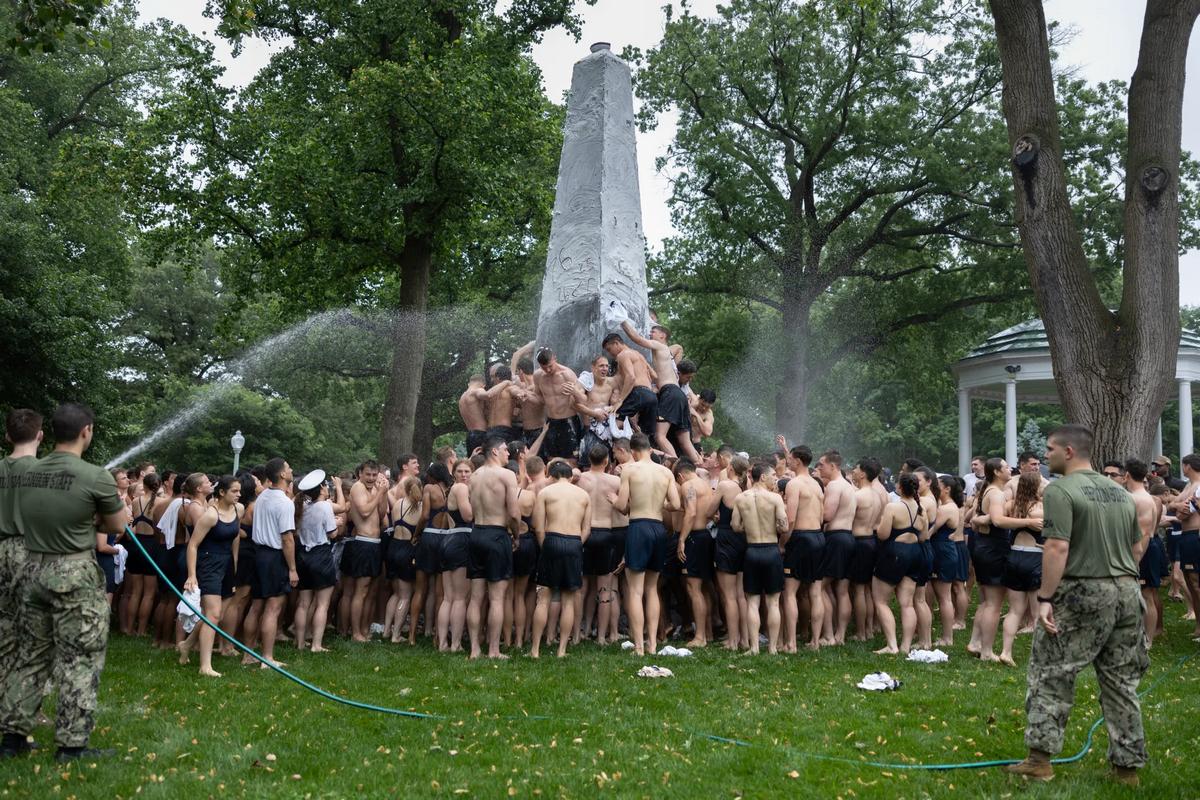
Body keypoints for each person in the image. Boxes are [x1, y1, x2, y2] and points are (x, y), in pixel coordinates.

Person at [1007, 425, 1147, 786]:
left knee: (1051, 672)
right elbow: (1137, 546)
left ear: (1069, 452)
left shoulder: (1061, 491)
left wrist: (1045, 598)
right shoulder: (1119, 493)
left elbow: (1056, 547)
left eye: (1050, 449)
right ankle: (1127, 769)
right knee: (1120, 680)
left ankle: (1039, 760)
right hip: (1127, 590)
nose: (1044, 456)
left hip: (1083, 589)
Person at [0, 403, 128, 761]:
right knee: (79, 658)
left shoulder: (27, 472)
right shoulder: (94, 476)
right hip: (73, 574)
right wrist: (93, 521)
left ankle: (12, 739)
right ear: (86, 430)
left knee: (30, 656)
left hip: (33, 571)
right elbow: (117, 526)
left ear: (51, 432)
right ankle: (72, 746)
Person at [608, 432, 681, 656]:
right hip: (658, 528)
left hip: (638, 526)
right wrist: (658, 503)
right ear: (650, 448)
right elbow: (676, 504)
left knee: (635, 591)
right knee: (652, 589)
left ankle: (639, 646)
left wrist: (615, 502)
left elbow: (622, 506)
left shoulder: (629, 470)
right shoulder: (666, 472)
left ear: (633, 451)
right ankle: (653, 643)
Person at [180, 475, 241, 676]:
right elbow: (193, 545)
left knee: (216, 615)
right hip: (208, 564)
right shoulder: (210, 515)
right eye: (234, 491)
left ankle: (187, 644)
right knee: (213, 615)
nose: (238, 495)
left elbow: (235, 542)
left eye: (239, 491)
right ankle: (205, 666)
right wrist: (192, 575)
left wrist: (234, 567)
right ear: (222, 492)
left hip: (226, 565)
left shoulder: (237, 510)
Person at [530, 460, 591, 658]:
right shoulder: (583, 495)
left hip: (552, 539)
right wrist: (575, 545)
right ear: (570, 476)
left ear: (552, 475)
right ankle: (562, 650)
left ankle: (535, 650)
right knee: (568, 601)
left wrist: (545, 545)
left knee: (544, 598)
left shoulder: (546, 493)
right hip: (574, 541)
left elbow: (538, 526)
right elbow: (586, 530)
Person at [620, 319, 702, 463]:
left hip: (670, 393)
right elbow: (677, 350)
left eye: (653, 331)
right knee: (684, 440)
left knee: (659, 436)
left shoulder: (660, 346)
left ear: (662, 336)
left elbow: (637, 339)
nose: (650, 333)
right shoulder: (667, 354)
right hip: (678, 394)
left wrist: (622, 321)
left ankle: (677, 467)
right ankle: (698, 464)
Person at [466, 436, 519, 660]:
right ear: (495, 452)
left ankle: (474, 649)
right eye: (506, 450)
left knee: (476, 597)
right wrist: (516, 535)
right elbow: (515, 514)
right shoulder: (506, 475)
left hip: (476, 533)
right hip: (497, 534)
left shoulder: (474, 477)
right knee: (497, 598)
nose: (509, 454)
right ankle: (494, 650)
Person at [243, 457, 298, 669]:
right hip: (274, 557)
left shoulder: (263, 495)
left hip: (258, 554)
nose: (291, 469)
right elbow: (287, 538)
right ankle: (267, 657)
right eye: (288, 467)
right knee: (273, 608)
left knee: (256, 606)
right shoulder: (284, 503)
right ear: (282, 475)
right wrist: (292, 569)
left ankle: (248, 655)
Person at [0, 409, 42, 680]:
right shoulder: (46, 472)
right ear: (40, 435)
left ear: (7, 436)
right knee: (34, 628)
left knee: (4, 623)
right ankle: (27, 700)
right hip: (31, 552)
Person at [732, 461, 787, 654]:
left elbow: (735, 526)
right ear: (762, 476)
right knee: (773, 602)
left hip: (752, 550)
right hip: (771, 550)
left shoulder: (740, 498)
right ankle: (772, 648)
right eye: (772, 475)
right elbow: (784, 527)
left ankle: (754, 647)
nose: (775, 479)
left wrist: (750, 526)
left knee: (752, 602)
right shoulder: (775, 499)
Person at [870, 473, 926, 654]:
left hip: (894, 553)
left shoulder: (893, 507)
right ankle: (905, 646)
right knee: (907, 603)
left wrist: (878, 527)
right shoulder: (921, 509)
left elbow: (883, 535)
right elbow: (924, 537)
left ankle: (892, 645)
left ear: (900, 488)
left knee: (881, 601)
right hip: (915, 553)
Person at [967, 457, 1015, 661]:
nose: (1009, 469)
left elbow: (979, 519)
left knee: (986, 601)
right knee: (994, 604)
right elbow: (997, 520)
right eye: (1005, 467)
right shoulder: (995, 493)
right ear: (996, 472)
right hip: (994, 548)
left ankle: (975, 642)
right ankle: (986, 651)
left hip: (985, 546)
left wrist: (982, 518)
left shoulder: (989, 491)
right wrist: (1030, 521)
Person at [997, 472, 1045, 666]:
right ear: (1036, 486)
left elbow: (997, 519)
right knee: (1037, 612)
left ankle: (1006, 651)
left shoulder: (1012, 506)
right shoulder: (1041, 507)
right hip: (1035, 557)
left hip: (1014, 555)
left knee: (1015, 611)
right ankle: (1040, 657)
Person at [577, 445, 622, 646]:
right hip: (606, 533)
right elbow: (625, 507)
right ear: (607, 461)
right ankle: (602, 637)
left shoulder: (581, 480)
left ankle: (580, 633)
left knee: (582, 588)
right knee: (605, 588)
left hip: (585, 533)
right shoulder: (615, 481)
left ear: (589, 459)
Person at [782, 445, 825, 651]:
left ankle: (791, 642)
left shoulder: (794, 484)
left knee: (790, 591)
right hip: (818, 536)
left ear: (797, 461)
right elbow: (822, 516)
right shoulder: (817, 485)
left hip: (801, 537)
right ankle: (815, 641)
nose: (787, 461)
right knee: (815, 591)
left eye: (789, 458)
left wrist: (783, 543)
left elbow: (790, 520)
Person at [294, 472, 342, 653]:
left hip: (303, 556)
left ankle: (299, 642)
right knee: (322, 603)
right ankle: (316, 644)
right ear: (322, 488)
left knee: (303, 603)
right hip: (320, 554)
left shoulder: (303, 506)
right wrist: (337, 523)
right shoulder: (324, 507)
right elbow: (333, 534)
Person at [816, 450, 856, 645]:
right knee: (841, 589)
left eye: (822, 464)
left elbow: (827, 515)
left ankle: (830, 635)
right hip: (848, 537)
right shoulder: (848, 486)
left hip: (836, 537)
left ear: (833, 466)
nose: (819, 467)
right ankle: (840, 635)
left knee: (819, 586)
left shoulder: (834, 485)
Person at [345, 460, 387, 642]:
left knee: (370, 590)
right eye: (368, 474)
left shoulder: (374, 490)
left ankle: (364, 628)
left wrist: (382, 493)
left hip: (375, 543)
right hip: (363, 542)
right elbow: (363, 511)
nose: (371, 478)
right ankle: (355, 633)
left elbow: (382, 512)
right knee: (360, 590)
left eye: (374, 475)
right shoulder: (357, 487)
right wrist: (380, 493)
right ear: (360, 474)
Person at [673, 459, 713, 647]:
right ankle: (709, 634)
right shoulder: (705, 485)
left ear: (680, 475)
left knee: (693, 588)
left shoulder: (688, 485)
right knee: (703, 587)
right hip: (705, 534)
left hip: (694, 537)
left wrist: (681, 539)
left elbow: (690, 513)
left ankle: (700, 637)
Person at [710, 457, 749, 651]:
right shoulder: (746, 487)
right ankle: (745, 638)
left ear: (731, 468)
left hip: (726, 537)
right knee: (741, 594)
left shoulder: (725, 485)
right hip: (743, 538)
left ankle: (732, 640)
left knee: (729, 595)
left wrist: (716, 516)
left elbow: (710, 509)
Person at [1124, 459, 1163, 648]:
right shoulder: (1135, 497)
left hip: (1144, 551)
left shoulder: (1140, 499)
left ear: (1127, 475)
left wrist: (1135, 560)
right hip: (1139, 550)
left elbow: (1145, 534)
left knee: (1147, 594)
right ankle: (1138, 635)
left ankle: (1148, 639)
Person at [121, 472, 161, 637]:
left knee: (136, 592)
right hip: (152, 546)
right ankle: (141, 630)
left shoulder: (136, 501)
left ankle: (129, 628)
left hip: (137, 546)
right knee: (149, 594)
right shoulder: (160, 502)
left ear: (143, 486)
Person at [531, 348, 587, 463]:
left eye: (550, 366)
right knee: (550, 458)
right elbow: (539, 398)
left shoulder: (567, 374)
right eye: (544, 367)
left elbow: (583, 400)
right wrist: (527, 396)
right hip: (551, 421)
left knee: (573, 459)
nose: (548, 370)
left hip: (568, 421)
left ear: (554, 358)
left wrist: (575, 392)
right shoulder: (538, 376)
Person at [848, 459, 882, 641]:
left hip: (860, 541)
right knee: (868, 589)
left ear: (862, 474)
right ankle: (869, 629)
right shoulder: (877, 495)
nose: (853, 471)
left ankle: (861, 633)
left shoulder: (859, 496)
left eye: (855, 468)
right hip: (871, 540)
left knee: (859, 589)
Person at [929, 475, 965, 647]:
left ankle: (947, 637)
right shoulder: (950, 506)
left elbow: (930, 531)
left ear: (947, 489)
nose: (934, 489)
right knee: (943, 596)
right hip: (945, 550)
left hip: (942, 551)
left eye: (938, 486)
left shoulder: (946, 509)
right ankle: (945, 635)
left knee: (944, 597)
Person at [384, 475, 420, 644]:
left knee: (396, 593)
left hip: (393, 547)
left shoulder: (397, 503)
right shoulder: (418, 506)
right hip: (407, 549)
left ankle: (386, 630)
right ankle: (396, 633)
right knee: (405, 596)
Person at [602, 333, 659, 438]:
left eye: (609, 349)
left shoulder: (623, 355)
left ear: (616, 343)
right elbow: (654, 375)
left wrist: (620, 401)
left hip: (639, 393)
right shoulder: (638, 355)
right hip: (651, 396)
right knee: (645, 436)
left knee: (615, 423)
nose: (610, 354)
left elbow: (631, 377)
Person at [1169, 453, 1200, 639]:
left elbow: (1186, 513)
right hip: (1185, 536)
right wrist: (1178, 505)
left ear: (1188, 466)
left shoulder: (1198, 486)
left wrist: (1179, 508)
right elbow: (1172, 504)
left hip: (1195, 536)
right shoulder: (1188, 486)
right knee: (1189, 580)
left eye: (1183, 465)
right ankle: (1198, 625)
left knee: (1196, 582)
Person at [458, 375, 489, 454]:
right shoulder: (477, 390)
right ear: (483, 385)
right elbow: (487, 395)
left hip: (470, 435)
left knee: (473, 463)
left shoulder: (462, 397)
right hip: (480, 434)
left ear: (469, 383)